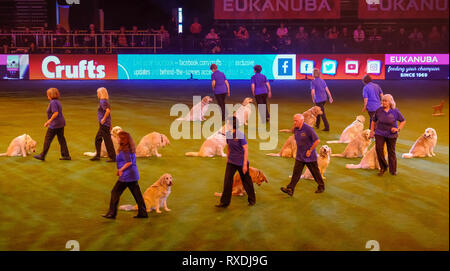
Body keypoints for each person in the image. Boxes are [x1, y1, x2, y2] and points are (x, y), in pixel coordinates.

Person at [103, 131, 147, 219]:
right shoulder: (128, 148)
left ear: (123, 140)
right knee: (137, 194)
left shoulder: (125, 150)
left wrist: (121, 170)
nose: (116, 139)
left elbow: (129, 162)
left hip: (127, 176)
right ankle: (143, 213)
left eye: (118, 137)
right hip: (132, 174)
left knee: (115, 192)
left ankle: (112, 213)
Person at [216, 116, 256, 208]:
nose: (226, 125)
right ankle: (224, 202)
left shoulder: (240, 134)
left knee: (246, 181)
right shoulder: (228, 134)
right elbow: (229, 147)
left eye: (228, 123)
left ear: (232, 124)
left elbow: (246, 149)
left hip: (241, 162)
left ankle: (252, 200)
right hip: (231, 162)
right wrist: (227, 159)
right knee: (227, 181)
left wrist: (245, 164)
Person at [280, 114, 325, 196]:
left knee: (315, 173)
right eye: (294, 120)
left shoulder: (308, 129)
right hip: (300, 156)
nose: (294, 122)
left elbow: (317, 141)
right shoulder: (296, 129)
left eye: (296, 121)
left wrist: (310, 150)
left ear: (301, 121)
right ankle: (290, 189)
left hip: (309, 157)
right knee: (296, 173)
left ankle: (321, 186)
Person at [369, 94, 406, 176]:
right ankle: (383, 167)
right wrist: (372, 131)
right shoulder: (379, 110)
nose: (384, 102)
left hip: (391, 135)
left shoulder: (395, 111)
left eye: (385, 101)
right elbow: (373, 121)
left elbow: (403, 121)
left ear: (390, 102)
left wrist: (397, 129)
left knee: (391, 152)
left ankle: (393, 170)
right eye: (383, 101)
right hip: (379, 133)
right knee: (378, 149)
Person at [34, 88, 70, 161]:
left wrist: (49, 121)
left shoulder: (53, 102)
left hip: (55, 125)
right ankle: (66, 155)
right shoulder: (57, 101)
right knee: (61, 139)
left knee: (48, 140)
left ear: (50, 95)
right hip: (61, 123)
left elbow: (55, 113)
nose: (47, 95)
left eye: (48, 94)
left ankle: (42, 155)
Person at [90, 87, 116, 162]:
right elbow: (109, 113)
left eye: (97, 93)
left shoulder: (102, 101)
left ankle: (113, 157)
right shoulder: (105, 101)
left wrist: (103, 119)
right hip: (105, 124)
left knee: (107, 140)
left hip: (104, 124)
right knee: (98, 139)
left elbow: (107, 111)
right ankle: (98, 155)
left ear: (101, 93)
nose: (97, 94)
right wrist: (109, 123)